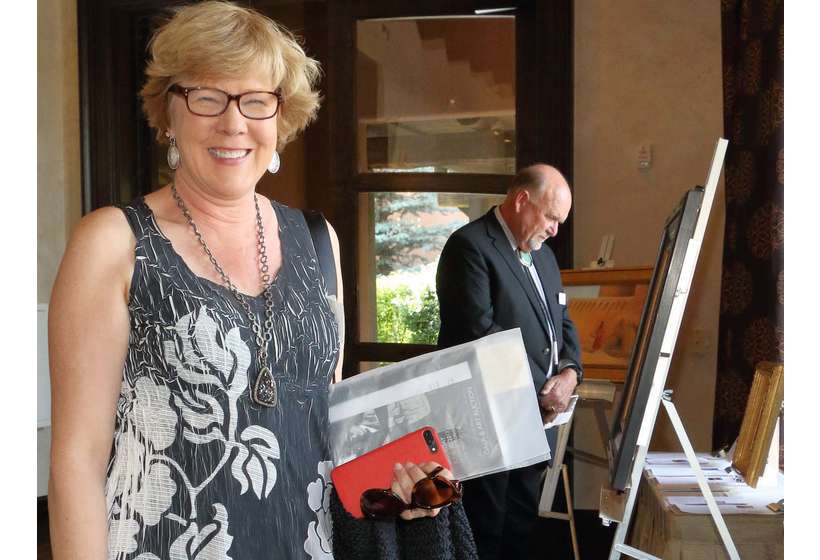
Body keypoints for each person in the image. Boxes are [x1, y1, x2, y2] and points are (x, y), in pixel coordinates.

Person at [48, 2, 473, 558]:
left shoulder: (320, 242)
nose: (232, 122)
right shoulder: (113, 242)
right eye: (205, 96)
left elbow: (331, 431)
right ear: (167, 114)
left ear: (282, 115)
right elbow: (76, 461)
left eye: (256, 100)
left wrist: (405, 484)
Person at [436, 164, 584, 559]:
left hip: (535, 421)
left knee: (520, 527)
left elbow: (562, 322)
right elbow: (479, 334)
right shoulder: (469, 246)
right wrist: (544, 390)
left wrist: (570, 374)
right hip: (487, 420)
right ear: (522, 200)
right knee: (485, 531)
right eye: (551, 217)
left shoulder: (546, 258)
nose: (555, 229)